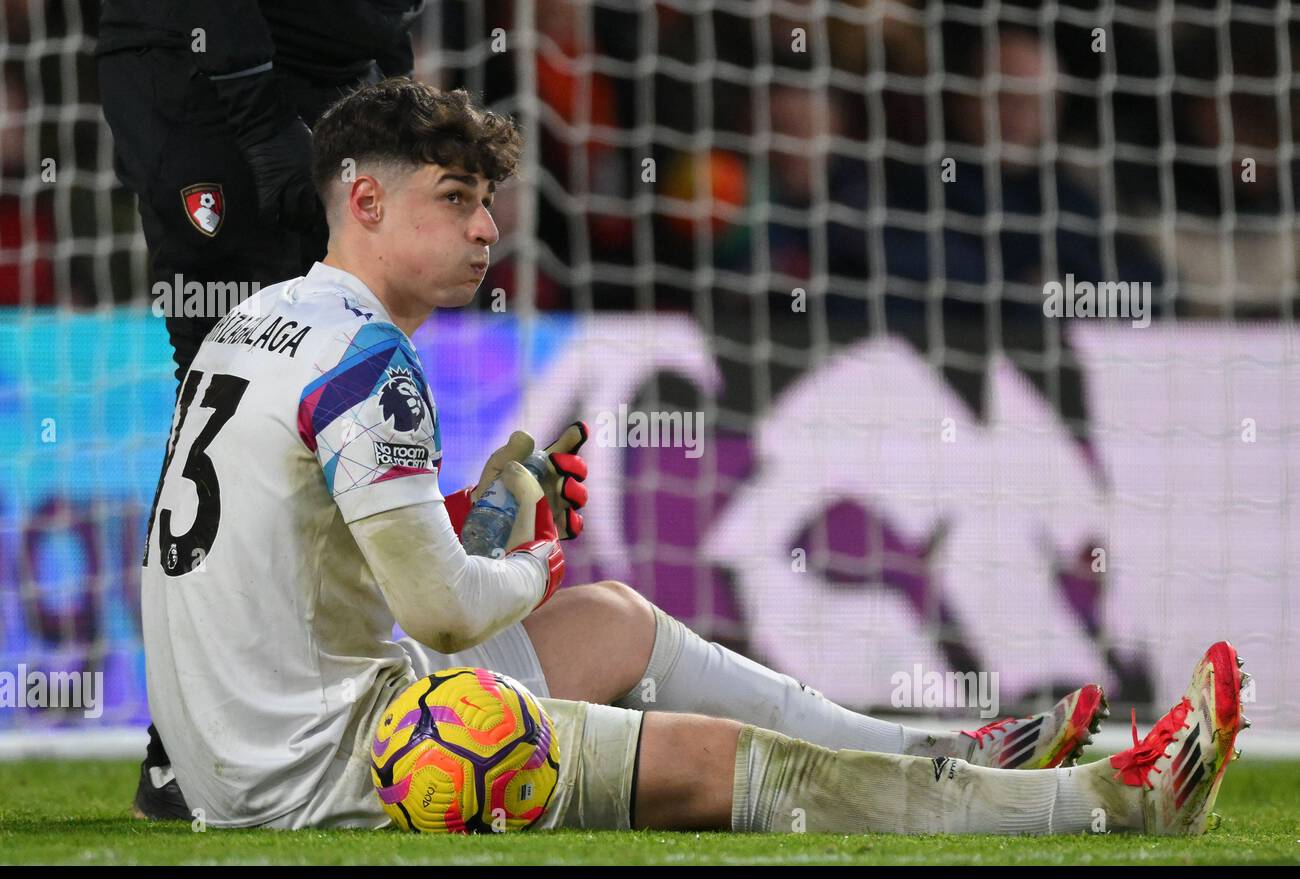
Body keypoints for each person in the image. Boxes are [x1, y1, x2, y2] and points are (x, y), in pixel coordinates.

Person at [139, 78, 1245, 834]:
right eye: (457, 201)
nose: (486, 230)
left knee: (618, 619)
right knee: (724, 763)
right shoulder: (369, 360)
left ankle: (954, 747)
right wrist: (529, 562)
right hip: (334, 764)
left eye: (489, 204)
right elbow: (439, 615)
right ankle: (1107, 803)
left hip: (238, 747)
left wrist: (476, 503)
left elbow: (309, 535)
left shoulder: (267, 318)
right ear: (365, 200)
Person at [95, 0, 425, 817]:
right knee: (229, 372)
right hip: (212, 77)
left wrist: (387, 72)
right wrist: (252, 106)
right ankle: (186, 744)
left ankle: (282, 716)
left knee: (315, 361)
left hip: (319, 81)